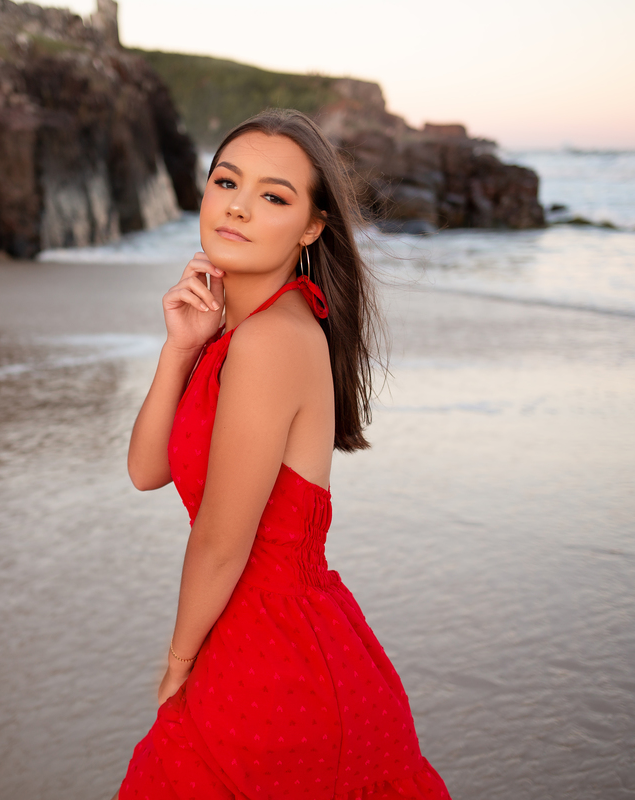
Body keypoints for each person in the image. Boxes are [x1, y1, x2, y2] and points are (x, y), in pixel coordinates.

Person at [114, 109, 451, 800]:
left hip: (278, 661)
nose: (237, 205)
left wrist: (177, 663)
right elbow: (146, 470)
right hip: (255, 644)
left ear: (311, 226)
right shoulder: (233, 334)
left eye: (273, 195)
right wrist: (179, 347)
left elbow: (221, 539)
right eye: (226, 181)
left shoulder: (273, 340)